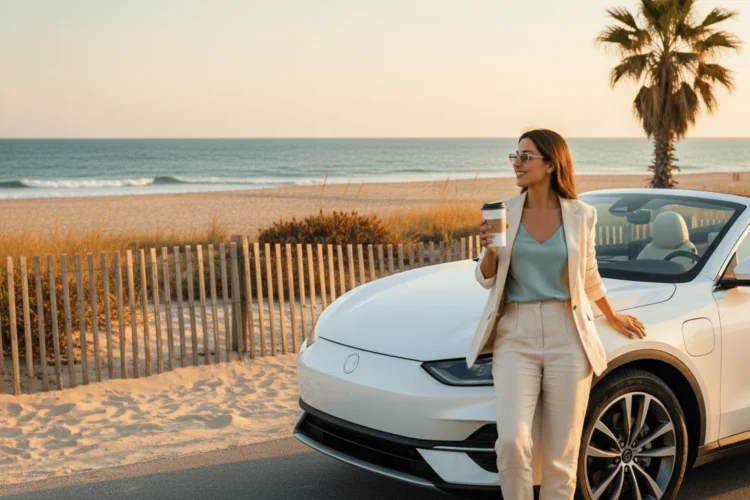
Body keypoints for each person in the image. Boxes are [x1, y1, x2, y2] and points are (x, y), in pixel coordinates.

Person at [465, 129, 647, 499]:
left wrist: (611, 316)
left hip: (569, 333)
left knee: (561, 456)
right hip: (516, 332)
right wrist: (488, 251)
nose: (516, 162)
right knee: (513, 442)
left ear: (550, 164)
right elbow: (486, 279)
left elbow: (590, 275)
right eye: (514, 155)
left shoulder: (582, 215)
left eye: (526, 156)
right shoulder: (505, 211)